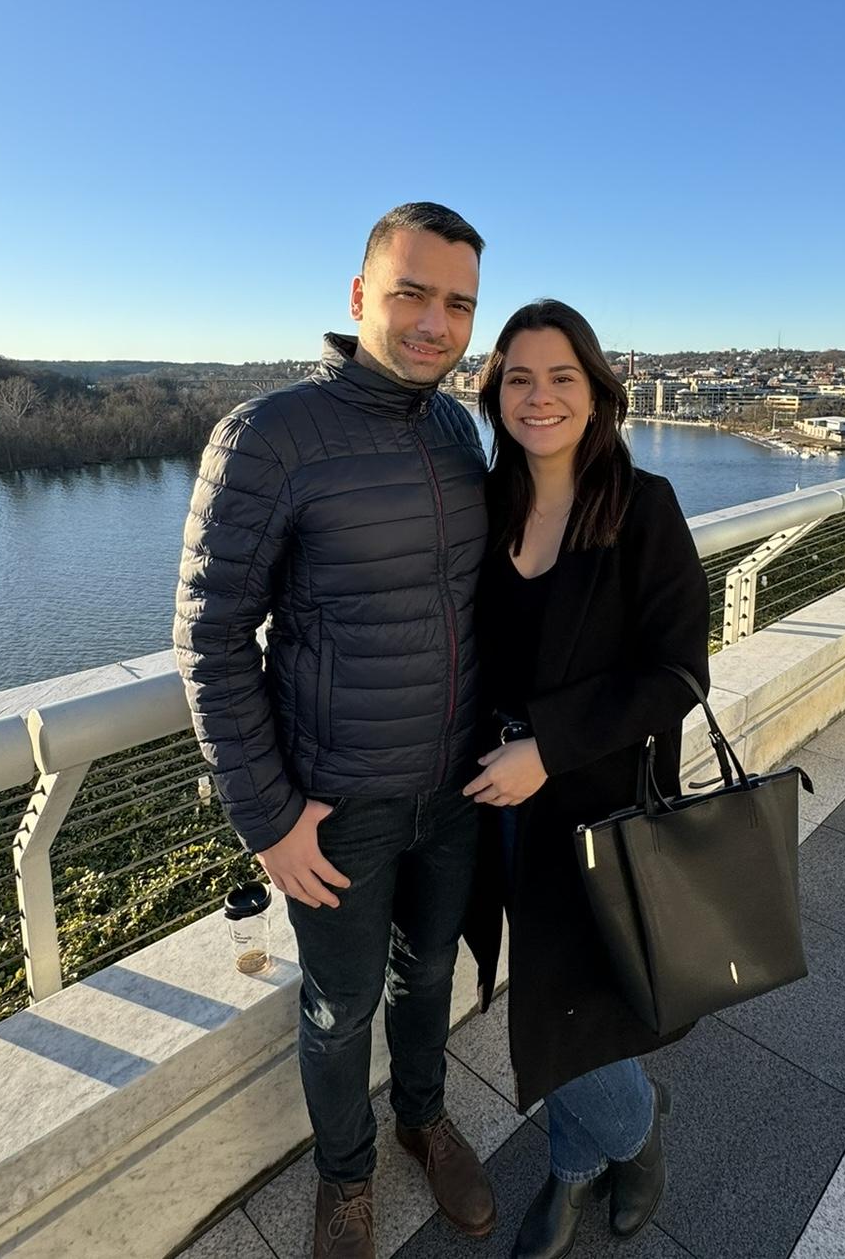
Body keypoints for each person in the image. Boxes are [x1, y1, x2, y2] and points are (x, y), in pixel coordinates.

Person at [174, 202, 497, 1259]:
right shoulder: (267, 437)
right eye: (411, 293)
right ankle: (345, 1179)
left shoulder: (456, 427)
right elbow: (211, 640)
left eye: (457, 304)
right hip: (337, 804)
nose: (433, 324)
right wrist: (267, 820)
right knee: (337, 1006)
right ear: (360, 297)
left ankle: (422, 1116)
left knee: (432, 974)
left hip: (455, 788)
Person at [461, 299, 711, 1259]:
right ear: (496, 396)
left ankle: (626, 1139)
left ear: (598, 392)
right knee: (553, 993)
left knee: (560, 1003)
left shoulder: (641, 507)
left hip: (594, 802)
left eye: (562, 377)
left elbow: (681, 672)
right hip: (498, 806)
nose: (540, 397)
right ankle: (590, 1158)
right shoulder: (488, 505)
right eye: (519, 378)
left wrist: (549, 749)